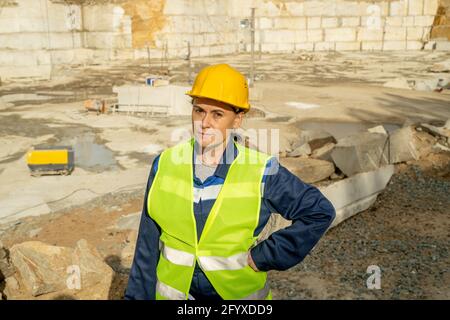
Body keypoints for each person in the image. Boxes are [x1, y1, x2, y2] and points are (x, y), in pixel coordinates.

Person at [125, 64, 335, 300]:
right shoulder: (164, 164)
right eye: (199, 111)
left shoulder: (262, 170)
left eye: (217, 114)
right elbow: (147, 242)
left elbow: (318, 212)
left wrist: (266, 255)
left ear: (237, 119)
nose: (204, 123)